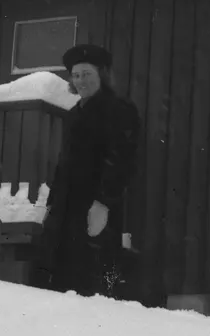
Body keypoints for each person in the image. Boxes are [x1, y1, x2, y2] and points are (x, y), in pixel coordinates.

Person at [40, 43, 141, 298]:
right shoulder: (74, 113)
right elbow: (65, 162)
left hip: (96, 205)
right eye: (76, 75)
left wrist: (103, 203)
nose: (81, 81)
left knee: (95, 277)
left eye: (87, 74)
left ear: (101, 75)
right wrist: (52, 204)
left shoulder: (119, 110)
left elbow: (121, 160)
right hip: (66, 207)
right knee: (62, 276)